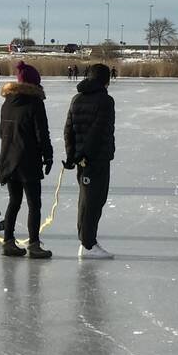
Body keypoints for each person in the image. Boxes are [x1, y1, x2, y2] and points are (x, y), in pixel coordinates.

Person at [0, 61, 54, 259]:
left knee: (14, 201)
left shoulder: (7, 103)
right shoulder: (35, 103)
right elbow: (42, 133)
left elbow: (2, 133)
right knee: (34, 204)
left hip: (8, 160)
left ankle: (8, 241)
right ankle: (34, 245)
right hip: (28, 159)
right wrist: (48, 156)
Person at [64, 62, 115, 260]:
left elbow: (68, 130)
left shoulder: (77, 98)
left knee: (87, 199)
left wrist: (72, 155)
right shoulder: (105, 101)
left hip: (82, 159)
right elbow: (99, 130)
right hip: (96, 159)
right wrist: (83, 154)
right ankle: (87, 244)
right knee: (93, 200)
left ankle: (87, 241)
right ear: (105, 80)